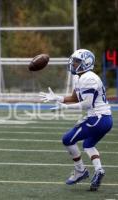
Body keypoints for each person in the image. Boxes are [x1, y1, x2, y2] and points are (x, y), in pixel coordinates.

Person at [39, 49, 112, 191]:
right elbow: (74, 98)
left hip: (98, 118)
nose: (73, 63)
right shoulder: (79, 77)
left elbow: (87, 103)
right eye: (74, 60)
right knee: (88, 144)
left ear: (86, 63)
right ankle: (99, 170)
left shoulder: (89, 78)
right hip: (103, 119)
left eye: (77, 61)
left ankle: (80, 171)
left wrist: (65, 108)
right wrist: (57, 98)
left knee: (67, 139)